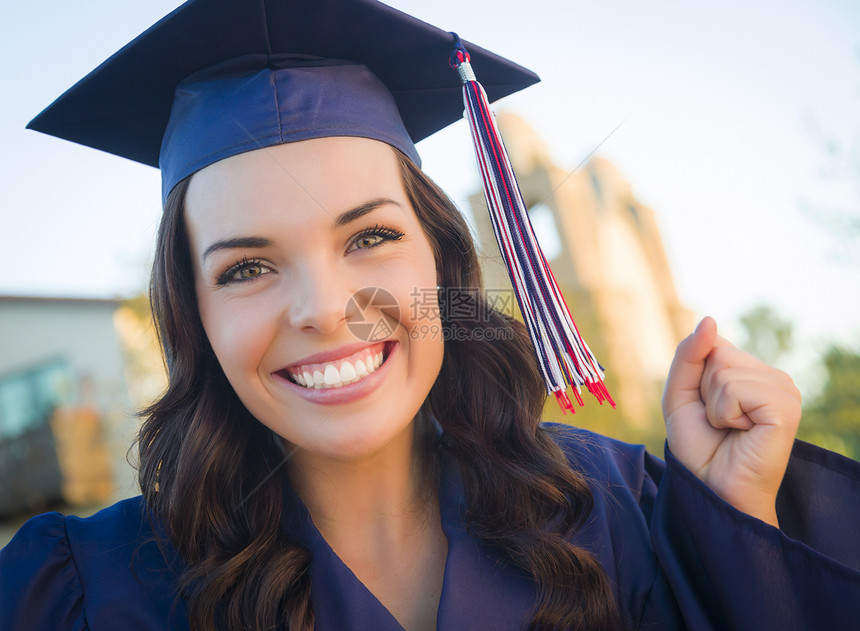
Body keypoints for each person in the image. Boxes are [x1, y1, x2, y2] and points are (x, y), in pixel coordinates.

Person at [2, 0, 859, 630]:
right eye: (249, 266)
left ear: (443, 264)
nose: (327, 311)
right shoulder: (85, 592)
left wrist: (739, 521)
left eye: (370, 235)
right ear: (194, 315)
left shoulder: (619, 513)